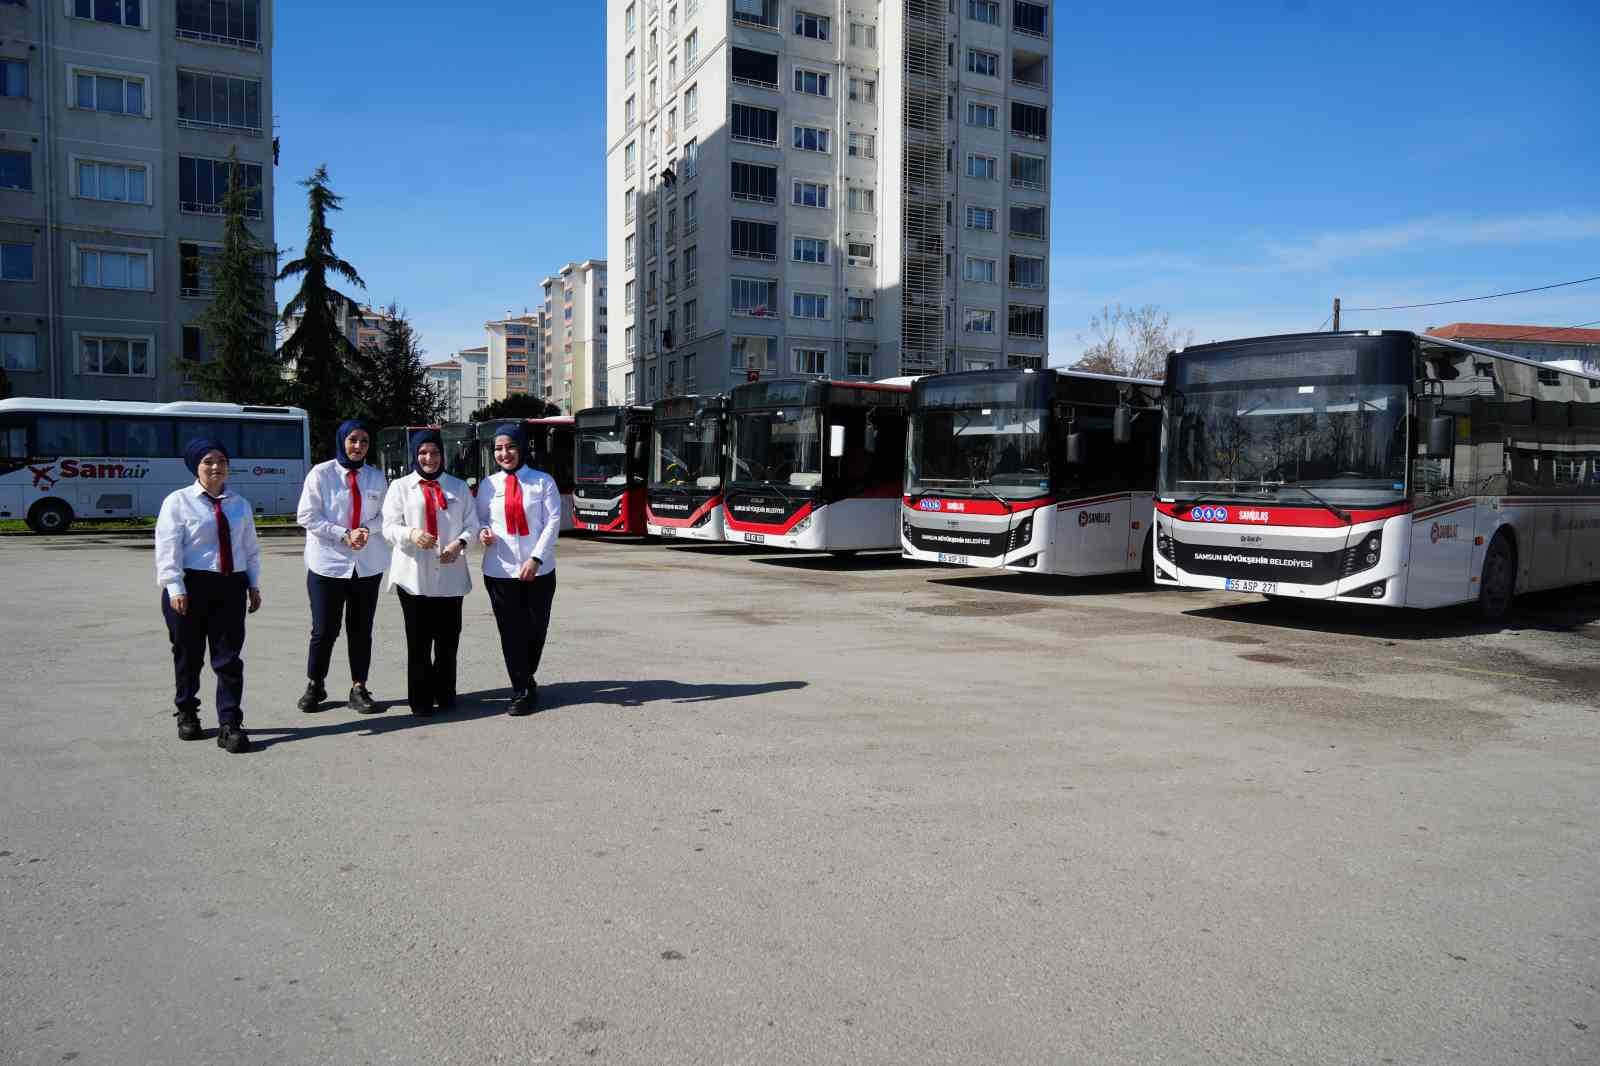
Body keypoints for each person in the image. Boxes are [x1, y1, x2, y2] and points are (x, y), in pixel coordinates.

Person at [154, 439, 263, 754]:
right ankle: (187, 711)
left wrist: (253, 585)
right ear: (195, 467)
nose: (216, 467)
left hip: (230, 585)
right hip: (190, 586)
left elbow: (250, 549)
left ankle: (230, 724)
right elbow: (167, 548)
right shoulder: (177, 502)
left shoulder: (239, 503)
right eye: (208, 461)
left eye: (221, 461)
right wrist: (175, 587)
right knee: (188, 655)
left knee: (228, 659)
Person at [295, 419, 391, 714]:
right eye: (353, 440)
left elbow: (386, 515)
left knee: (361, 629)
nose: (358, 446)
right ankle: (316, 683)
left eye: (363, 441)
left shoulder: (376, 477)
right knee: (324, 629)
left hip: (366, 565)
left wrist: (365, 530)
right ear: (342, 441)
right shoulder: (321, 474)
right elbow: (306, 516)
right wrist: (343, 534)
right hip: (328, 565)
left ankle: (359, 687)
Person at [382, 429, 477, 716]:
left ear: (442, 455)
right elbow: (388, 527)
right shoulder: (400, 487)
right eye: (423, 453)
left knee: (448, 641)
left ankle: (445, 692)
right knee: (419, 642)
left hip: (450, 575)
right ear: (415, 455)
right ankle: (420, 699)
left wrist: (459, 543)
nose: (429, 458)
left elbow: (472, 524)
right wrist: (410, 533)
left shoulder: (458, 487)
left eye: (434, 453)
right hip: (413, 577)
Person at [477, 423, 561, 715]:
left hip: (538, 570)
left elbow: (552, 523)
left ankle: (526, 674)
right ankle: (521, 689)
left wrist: (535, 559)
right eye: (499, 448)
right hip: (500, 570)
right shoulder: (488, 485)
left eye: (510, 447)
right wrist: (483, 532)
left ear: (522, 448)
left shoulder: (542, 481)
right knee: (510, 631)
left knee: (536, 628)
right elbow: (479, 519)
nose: (505, 453)